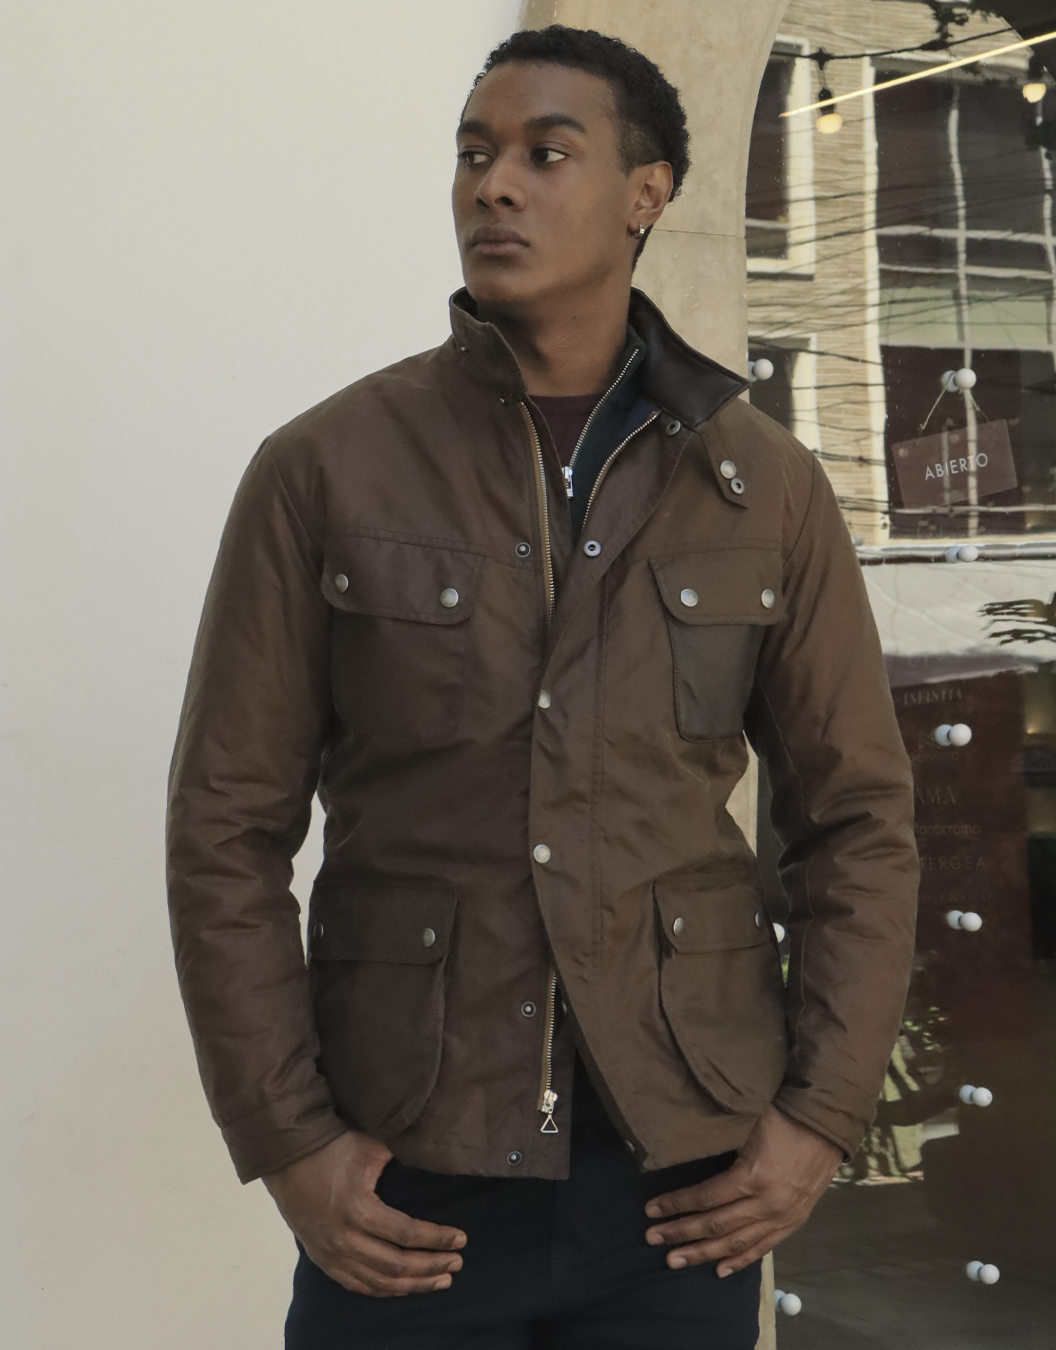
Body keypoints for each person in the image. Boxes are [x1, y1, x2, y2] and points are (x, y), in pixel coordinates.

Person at [166, 24, 918, 1350]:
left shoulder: (764, 487)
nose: (493, 185)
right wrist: (288, 1141)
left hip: (681, 1183)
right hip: (411, 1177)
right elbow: (224, 826)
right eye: (474, 154)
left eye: (544, 154)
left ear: (647, 193)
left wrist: (819, 1118)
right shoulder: (326, 468)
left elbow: (856, 819)